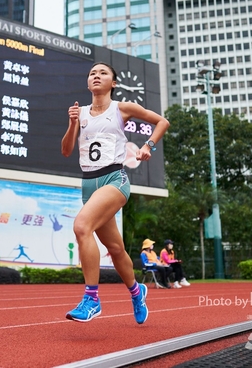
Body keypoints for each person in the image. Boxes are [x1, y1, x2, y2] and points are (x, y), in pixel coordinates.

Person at [61, 62, 170, 324]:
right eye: (92, 73)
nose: (96, 76)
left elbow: (162, 122)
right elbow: (66, 150)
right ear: (88, 83)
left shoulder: (122, 108)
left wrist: (148, 146)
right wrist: (72, 122)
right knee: (116, 249)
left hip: (114, 179)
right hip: (89, 184)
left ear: (114, 83)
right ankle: (137, 291)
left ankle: (91, 299)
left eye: (103, 73)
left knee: (81, 226)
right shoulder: (81, 113)